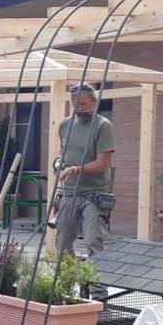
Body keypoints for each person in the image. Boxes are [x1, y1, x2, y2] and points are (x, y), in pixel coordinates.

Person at [55, 84, 115, 296]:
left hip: (94, 194)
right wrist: (59, 165)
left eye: (82, 104)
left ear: (93, 103)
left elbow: (102, 163)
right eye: (74, 103)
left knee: (93, 241)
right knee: (62, 241)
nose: (78, 108)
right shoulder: (64, 125)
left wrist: (75, 168)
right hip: (69, 192)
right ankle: (67, 285)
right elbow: (63, 154)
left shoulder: (103, 126)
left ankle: (99, 293)